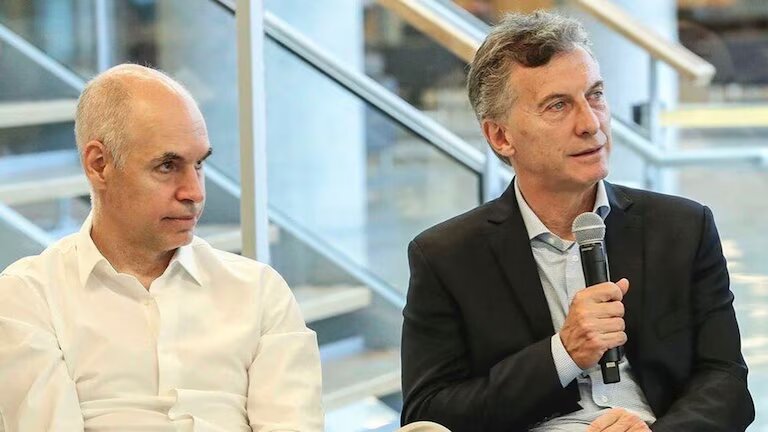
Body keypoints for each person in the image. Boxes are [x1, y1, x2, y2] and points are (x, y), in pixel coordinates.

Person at [400, 11, 754, 432]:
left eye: (595, 95)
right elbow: (428, 413)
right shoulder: (445, 256)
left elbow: (726, 381)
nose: (590, 123)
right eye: (558, 106)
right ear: (500, 136)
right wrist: (563, 354)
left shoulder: (683, 228)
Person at [0, 64, 324, 431]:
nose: (195, 192)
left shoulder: (260, 292)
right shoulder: (30, 297)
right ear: (99, 165)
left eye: (199, 164)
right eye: (167, 166)